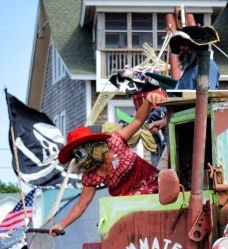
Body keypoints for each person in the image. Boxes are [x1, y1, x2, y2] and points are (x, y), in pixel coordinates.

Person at [51, 89, 166, 234]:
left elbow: (137, 120)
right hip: (125, 205)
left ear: (91, 146)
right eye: (76, 154)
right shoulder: (90, 175)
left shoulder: (115, 142)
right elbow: (81, 205)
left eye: (80, 151)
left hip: (153, 186)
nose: (80, 157)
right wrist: (61, 225)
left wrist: (148, 101)